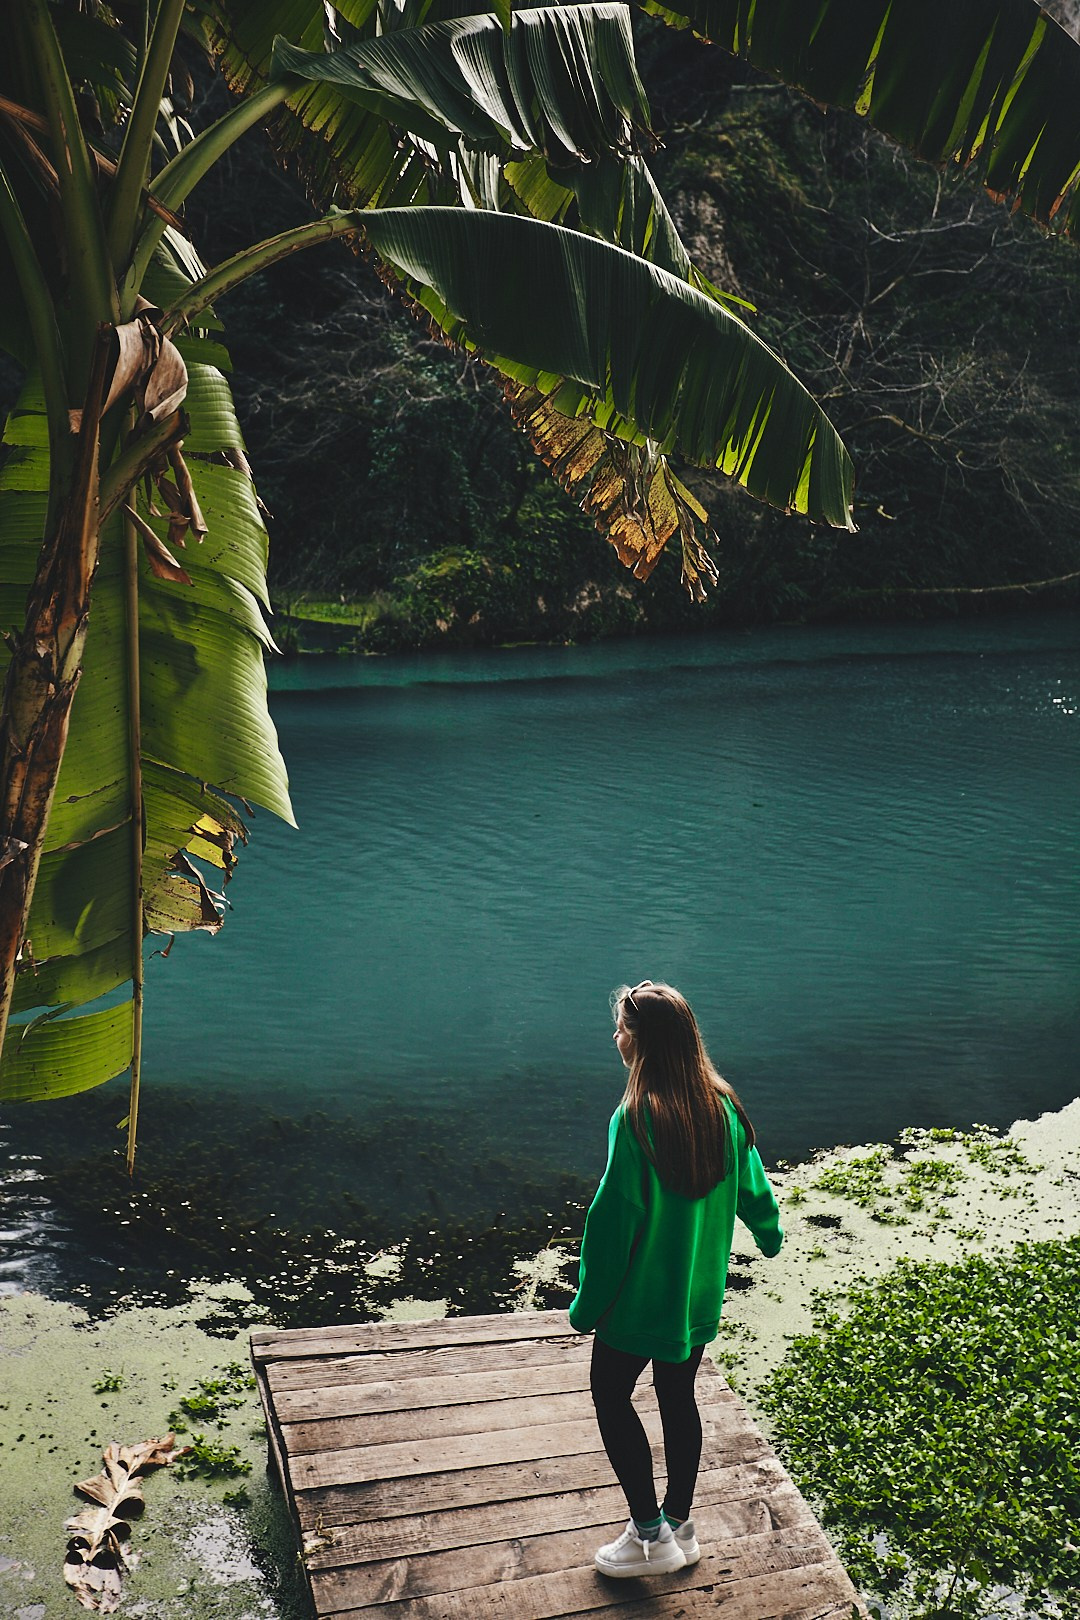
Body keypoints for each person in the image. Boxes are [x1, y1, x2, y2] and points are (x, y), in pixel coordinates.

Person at [568, 980, 783, 1578]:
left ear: (643, 1044)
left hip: (639, 1305)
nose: (615, 1037)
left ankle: (648, 1537)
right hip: (695, 1299)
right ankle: (680, 1523)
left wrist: (588, 1305)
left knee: (611, 1397)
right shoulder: (723, 1106)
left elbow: (612, 1224)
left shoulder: (636, 1120)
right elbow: (753, 1188)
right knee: (677, 1398)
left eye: (621, 1029)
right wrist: (768, 1232)